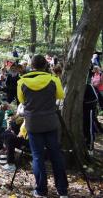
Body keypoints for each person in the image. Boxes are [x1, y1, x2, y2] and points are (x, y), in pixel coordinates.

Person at [17, 54, 68, 198]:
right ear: (45, 65)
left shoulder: (22, 82)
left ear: (32, 66)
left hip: (33, 124)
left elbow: (21, 100)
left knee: (38, 157)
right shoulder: (53, 79)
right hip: (51, 123)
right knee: (56, 155)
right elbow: (60, 96)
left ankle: (41, 190)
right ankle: (62, 190)